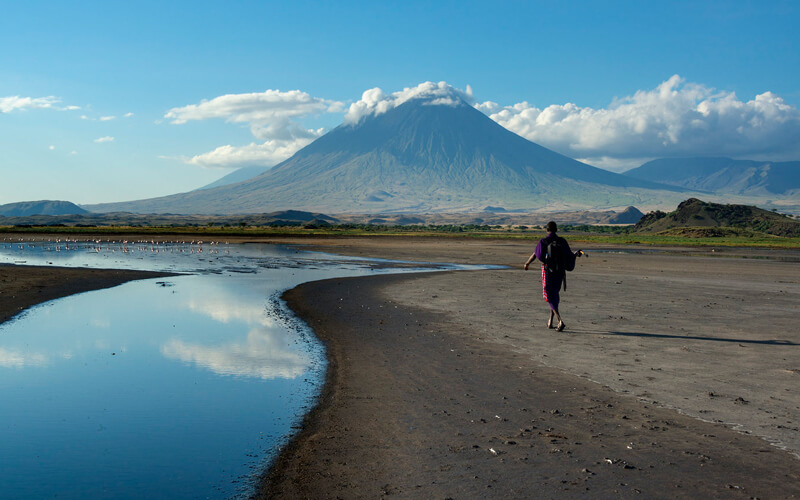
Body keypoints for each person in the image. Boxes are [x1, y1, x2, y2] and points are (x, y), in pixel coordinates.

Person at [523, 221, 584, 331]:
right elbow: (569, 255)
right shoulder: (562, 241)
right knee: (554, 294)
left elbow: (536, 255)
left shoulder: (544, 241)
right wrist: (575, 255)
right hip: (560, 273)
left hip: (548, 272)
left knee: (550, 296)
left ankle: (559, 321)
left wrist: (527, 263)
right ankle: (550, 321)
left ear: (547, 230)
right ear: (556, 230)